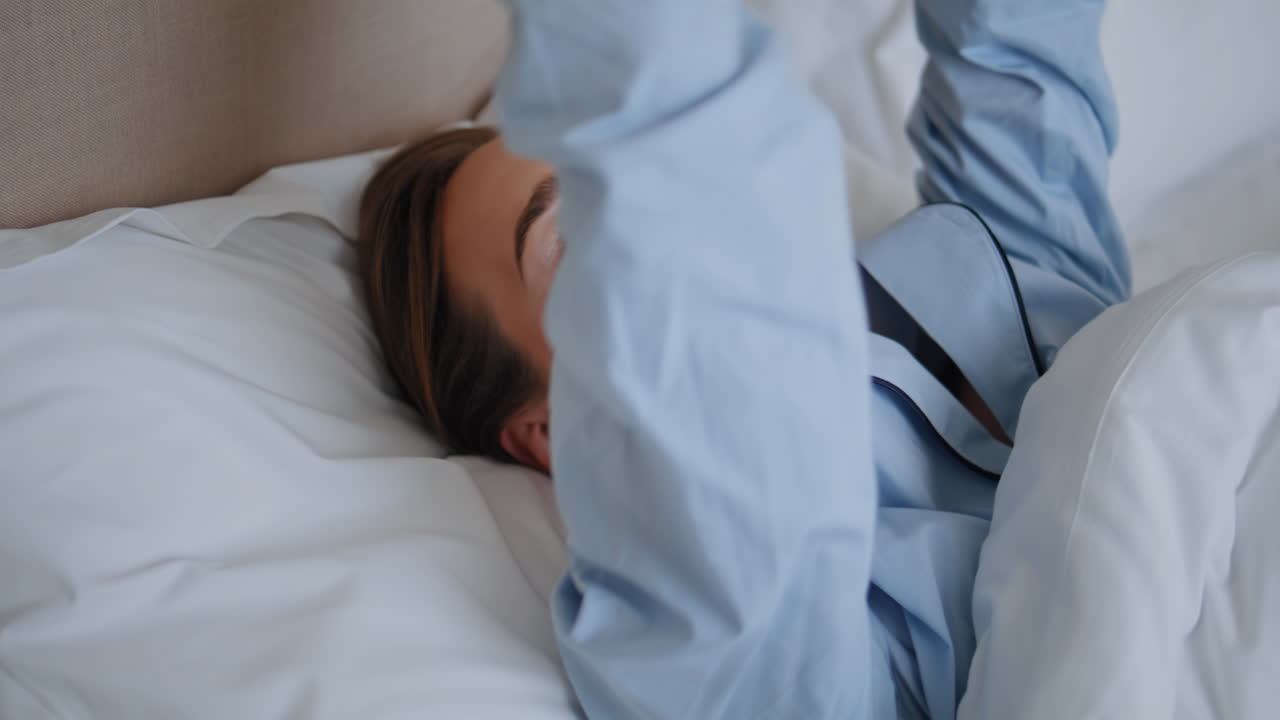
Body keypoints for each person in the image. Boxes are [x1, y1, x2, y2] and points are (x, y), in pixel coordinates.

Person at [358, 0, 1130, 717]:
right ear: (552, 430)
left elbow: (1017, 63)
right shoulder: (702, 626)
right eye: (580, 230)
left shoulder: (994, 270)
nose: (647, 216)